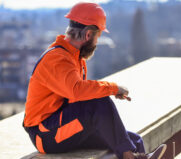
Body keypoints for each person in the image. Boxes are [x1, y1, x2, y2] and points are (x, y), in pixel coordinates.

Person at [23, 2, 167, 159]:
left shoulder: (74, 58)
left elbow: (76, 100)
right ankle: (130, 158)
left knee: (133, 140)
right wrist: (113, 88)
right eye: (98, 36)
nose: (97, 42)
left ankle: (134, 155)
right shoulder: (57, 58)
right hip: (45, 135)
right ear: (88, 35)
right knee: (99, 103)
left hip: (62, 127)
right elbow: (77, 91)